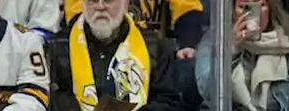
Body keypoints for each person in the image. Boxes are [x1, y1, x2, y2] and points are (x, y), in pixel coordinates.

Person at [50, 0, 183, 111]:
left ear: (126, 4)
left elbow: (168, 102)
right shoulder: (59, 45)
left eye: (108, 0)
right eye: (93, 1)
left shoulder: (155, 45)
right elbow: (53, 98)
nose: (100, 7)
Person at [64, 0, 207, 58]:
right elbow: (78, 18)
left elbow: (188, 9)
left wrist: (188, 44)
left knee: (186, 69)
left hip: (153, 53)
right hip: (100, 50)